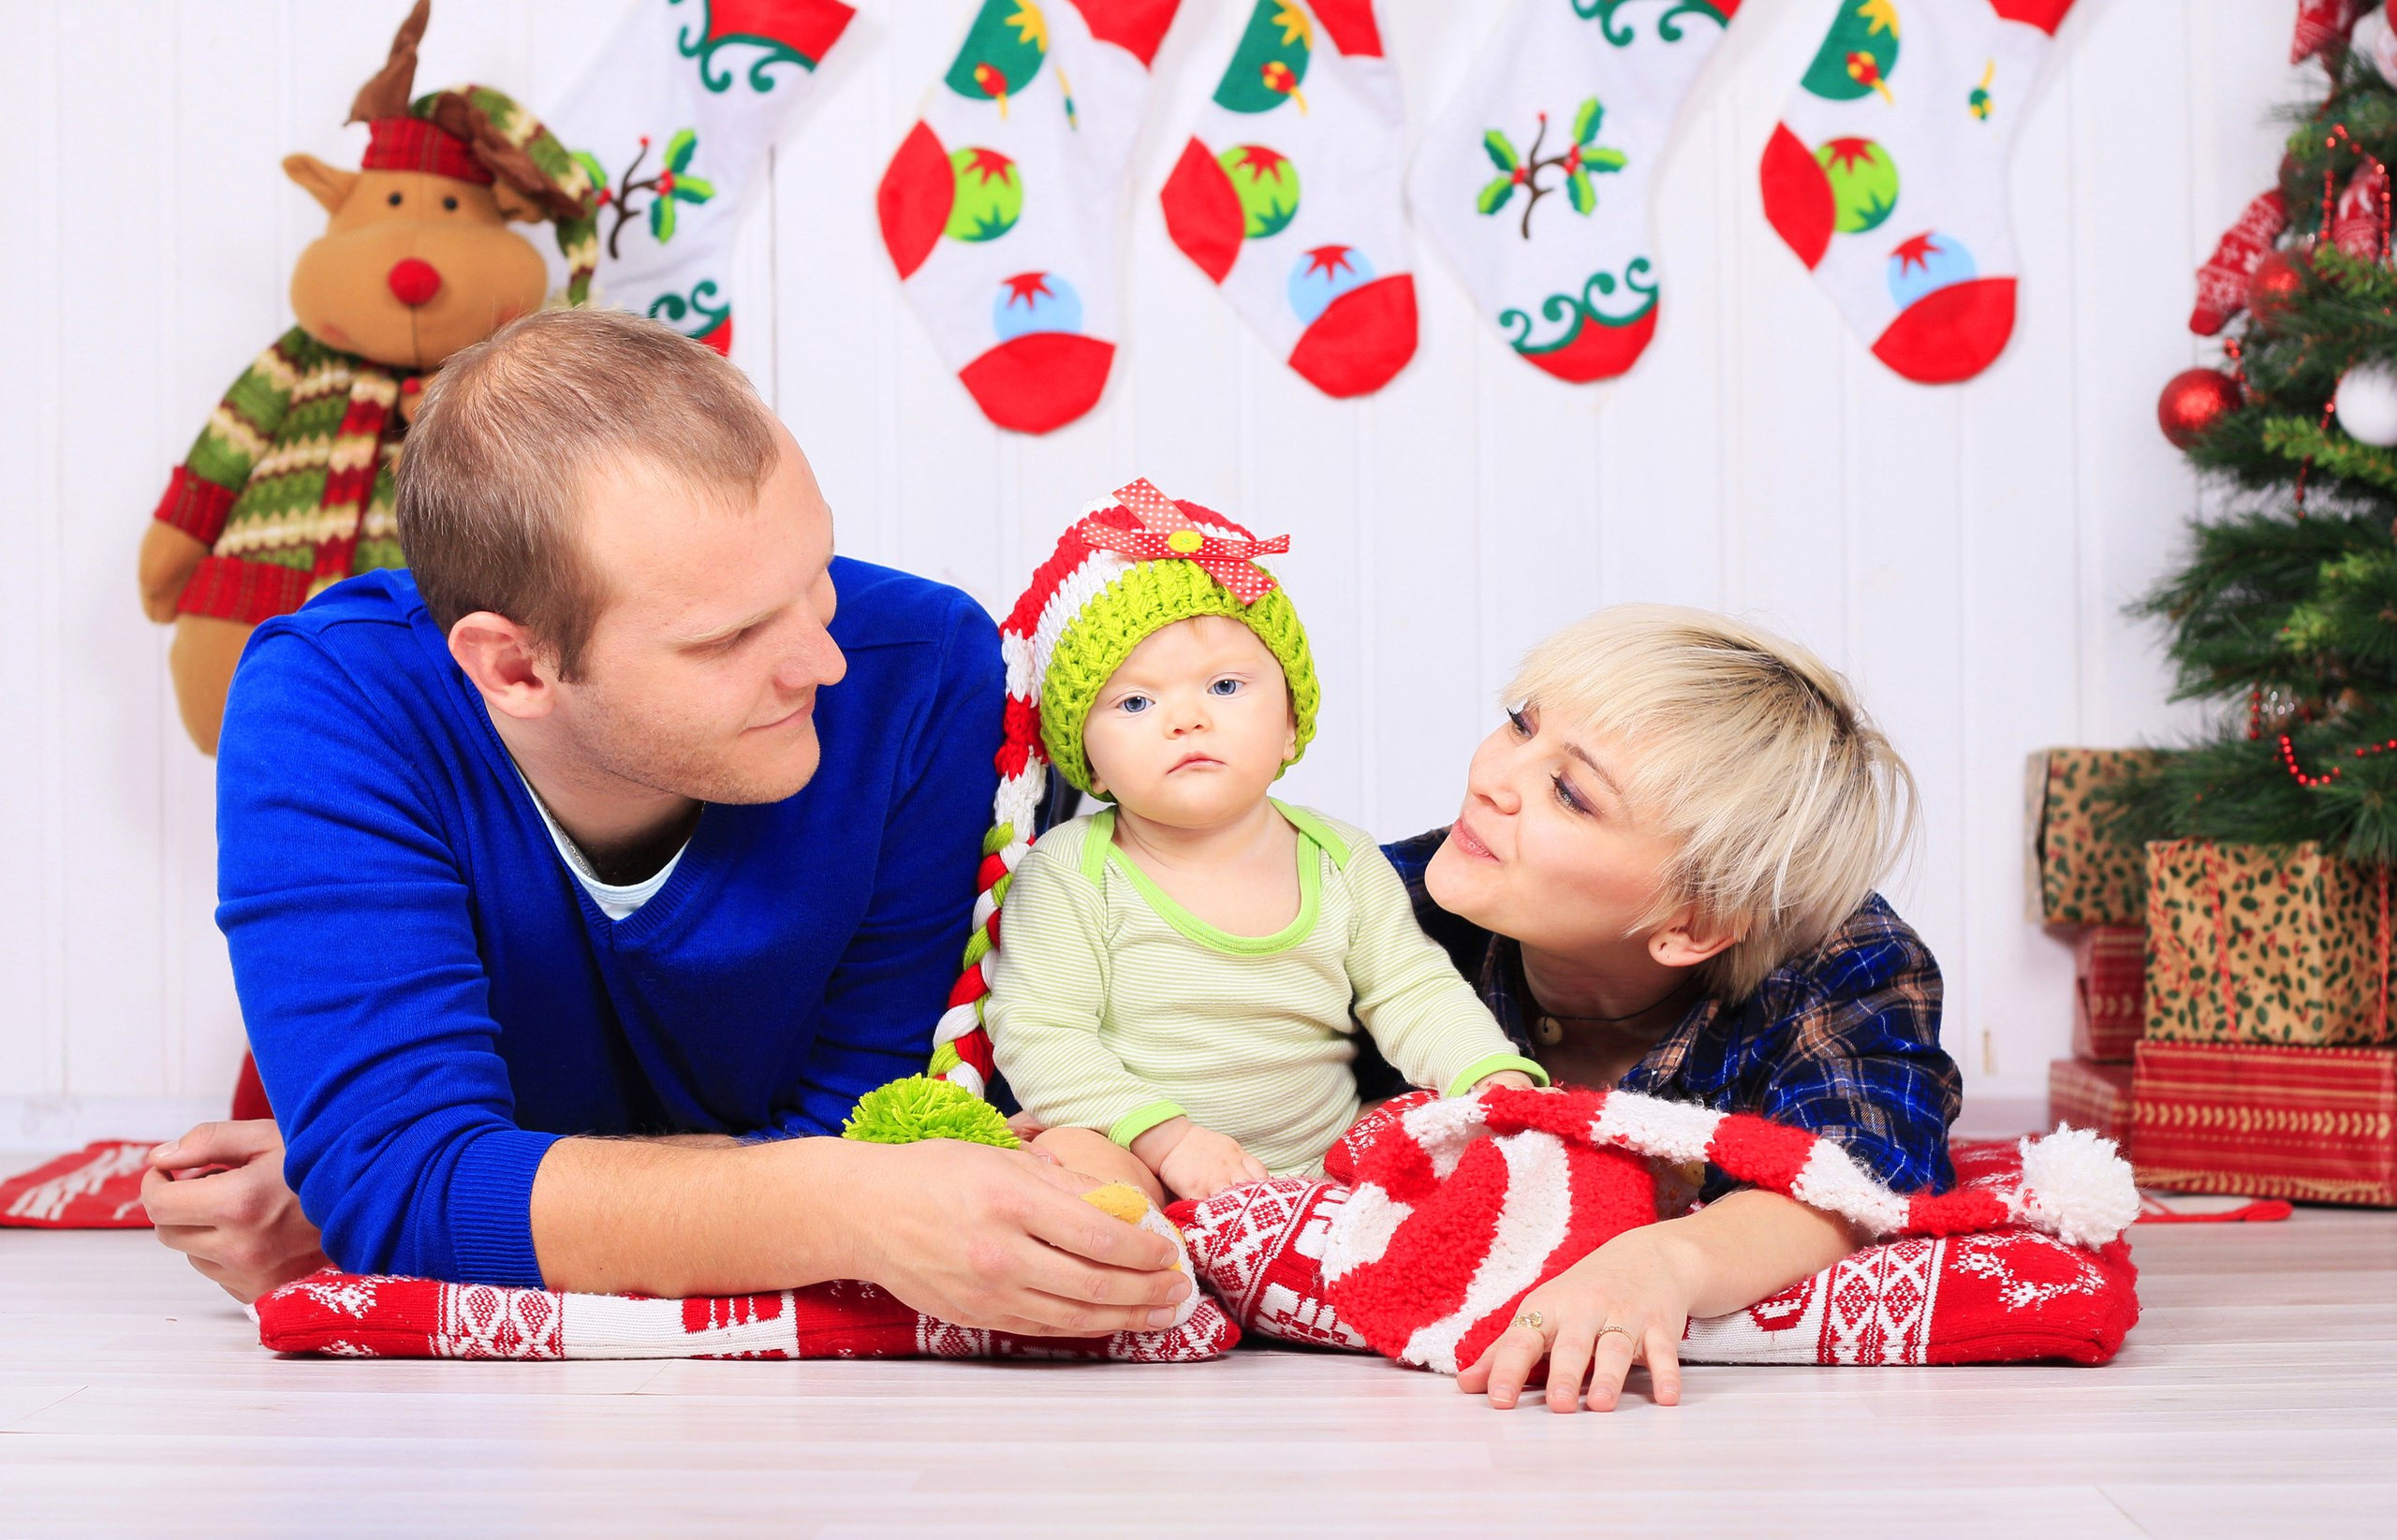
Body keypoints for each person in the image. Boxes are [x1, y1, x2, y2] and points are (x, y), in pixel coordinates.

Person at [140, 309, 1191, 1342]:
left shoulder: (917, 666)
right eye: (729, 636)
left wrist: (455, 1192)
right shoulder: (332, 701)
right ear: (513, 666)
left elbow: (864, 1118)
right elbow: (409, 1184)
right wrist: (849, 1205)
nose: (822, 663)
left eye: (816, 574)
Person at [1370, 605, 1956, 1415]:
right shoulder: (1363, 903)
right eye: (1519, 724)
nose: (1491, 780)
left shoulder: (1851, 966)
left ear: (1697, 923)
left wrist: (1667, 1262)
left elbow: (1863, 1176)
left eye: (1570, 792)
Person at [946, 486, 1548, 1207]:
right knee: (1068, 1162)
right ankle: (1147, 1279)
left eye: (1225, 684)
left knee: (1438, 1147)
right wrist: (1168, 1141)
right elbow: (1043, 1036)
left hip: (1322, 1170)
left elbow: (1410, 990)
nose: (1187, 719)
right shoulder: (1074, 870)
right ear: (1091, 761)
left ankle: (1327, 1251)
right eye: (1136, 702)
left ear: (1292, 721)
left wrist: (1488, 1076)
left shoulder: (1341, 859)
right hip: (1142, 1156)